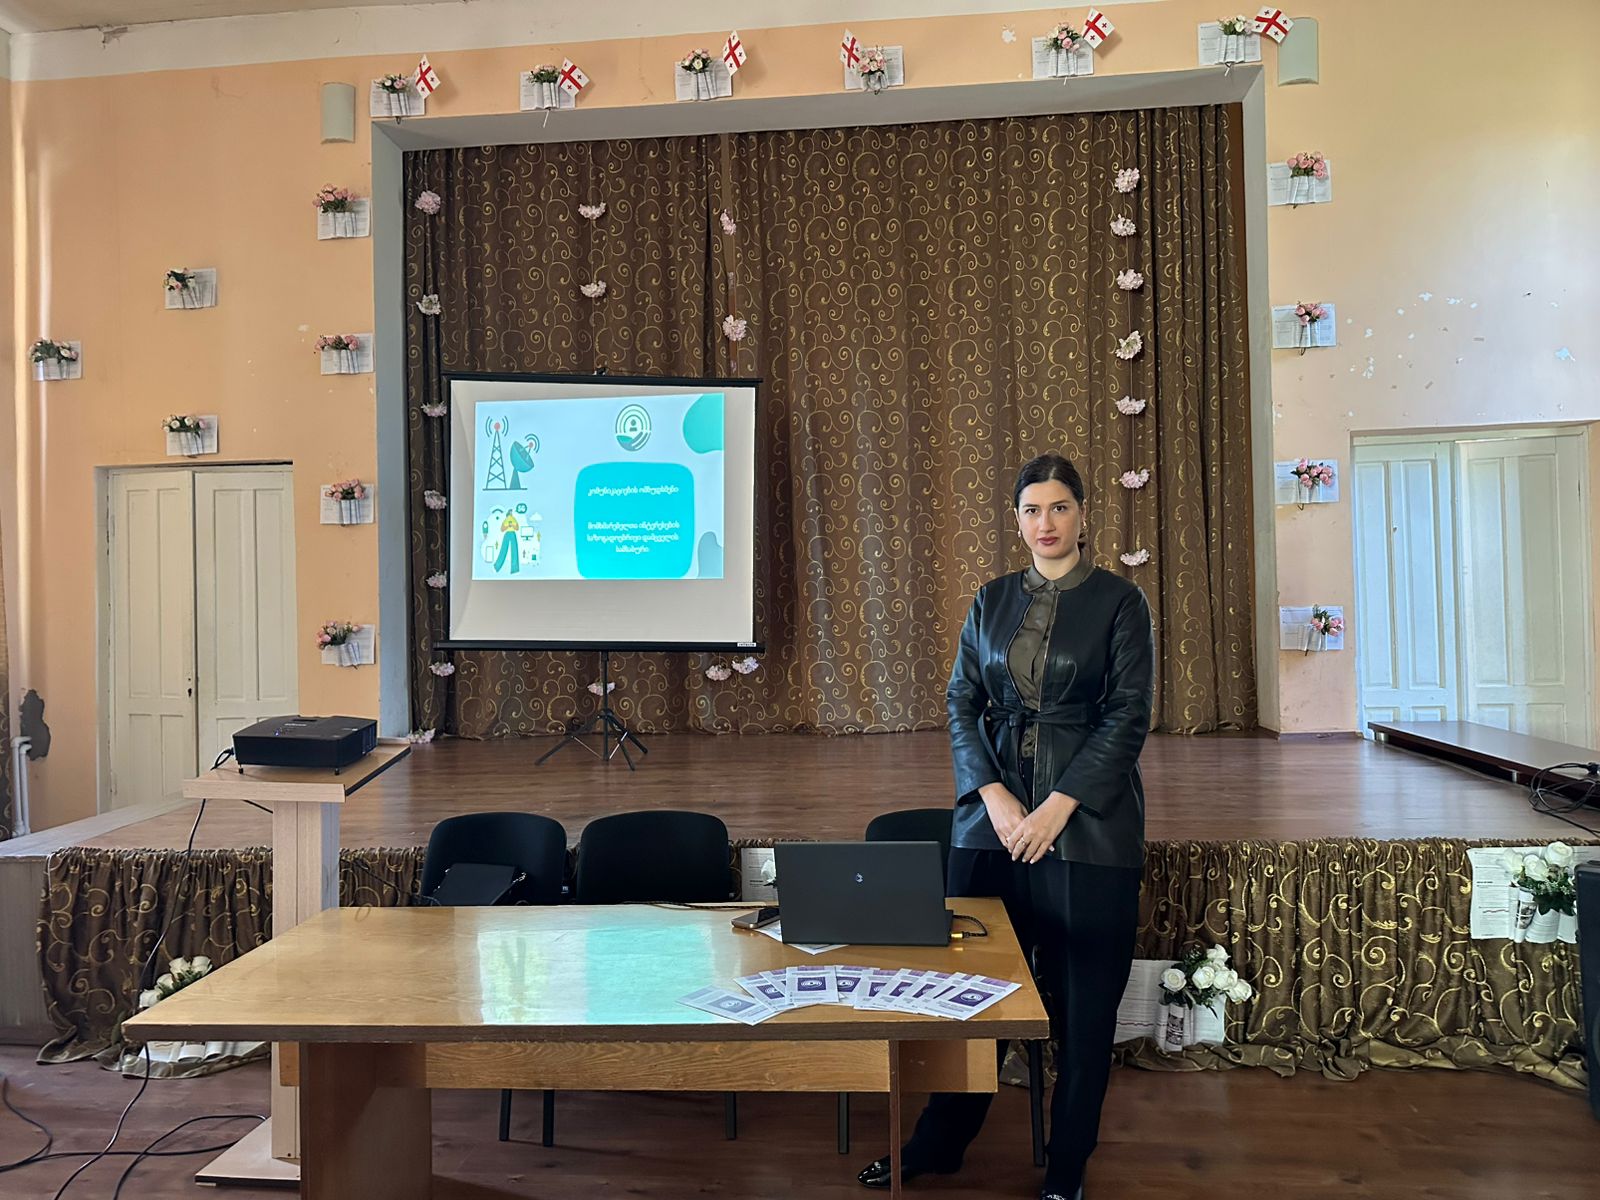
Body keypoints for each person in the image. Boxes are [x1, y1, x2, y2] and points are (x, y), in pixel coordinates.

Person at [858, 453, 1154, 1200]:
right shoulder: (990, 599)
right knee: (971, 995)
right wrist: (991, 794)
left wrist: (1058, 806)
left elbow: (1128, 716)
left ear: (1082, 515)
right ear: (1016, 520)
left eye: (1058, 507)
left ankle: (1068, 1164)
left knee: (1085, 1013)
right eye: (1031, 510)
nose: (1044, 523)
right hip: (991, 824)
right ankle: (939, 1144)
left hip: (1088, 827)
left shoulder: (1121, 602)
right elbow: (961, 700)